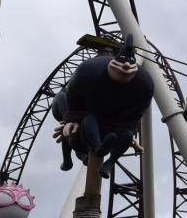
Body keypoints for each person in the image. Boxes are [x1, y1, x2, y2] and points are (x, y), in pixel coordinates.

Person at [51, 35, 155, 178]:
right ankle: (73, 158)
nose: (125, 67)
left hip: (113, 123)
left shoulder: (144, 84)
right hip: (84, 117)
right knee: (77, 127)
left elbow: (137, 112)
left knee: (126, 134)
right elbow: (73, 97)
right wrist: (71, 119)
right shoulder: (89, 71)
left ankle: (109, 163)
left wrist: (131, 131)